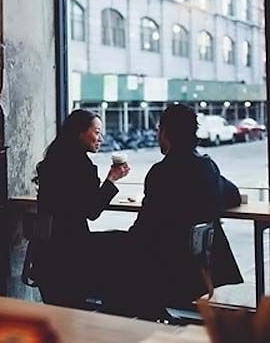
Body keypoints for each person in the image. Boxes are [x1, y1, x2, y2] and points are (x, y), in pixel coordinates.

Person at [103, 104, 242, 318]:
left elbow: (143, 230)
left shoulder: (160, 173)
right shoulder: (206, 167)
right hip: (196, 266)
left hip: (164, 264)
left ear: (165, 132)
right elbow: (232, 194)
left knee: (109, 249)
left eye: (159, 129)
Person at [32, 109, 130, 309]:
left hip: (45, 255)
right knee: (123, 243)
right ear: (79, 133)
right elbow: (92, 211)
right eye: (96, 132)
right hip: (70, 256)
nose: (100, 138)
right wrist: (112, 179)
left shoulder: (52, 161)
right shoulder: (83, 167)